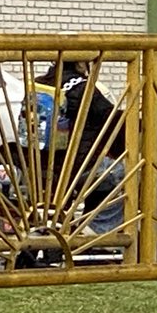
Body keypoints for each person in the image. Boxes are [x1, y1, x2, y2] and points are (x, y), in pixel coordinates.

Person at [35, 58, 125, 234]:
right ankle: (96, 228)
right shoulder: (83, 88)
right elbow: (111, 118)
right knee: (122, 174)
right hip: (78, 164)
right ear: (80, 64)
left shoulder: (40, 84)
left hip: (43, 164)